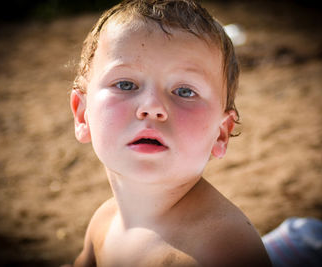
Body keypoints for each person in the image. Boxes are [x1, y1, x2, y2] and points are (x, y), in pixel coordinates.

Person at [68, 0, 271, 266]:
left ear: (220, 134)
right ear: (83, 115)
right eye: (126, 84)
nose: (152, 107)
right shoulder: (104, 220)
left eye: (185, 91)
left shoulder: (223, 249)